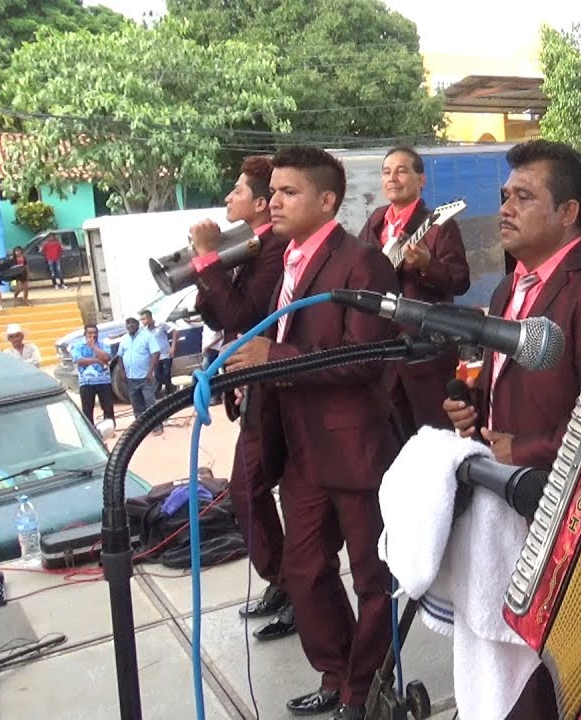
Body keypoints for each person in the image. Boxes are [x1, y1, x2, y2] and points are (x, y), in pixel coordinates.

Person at [442, 140, 581, 716]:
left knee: (550, 663)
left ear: (568, 212)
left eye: (524, 197)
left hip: (559, 499)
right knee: (504, 651)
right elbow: (489, 375)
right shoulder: (505, 288)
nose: (505, 208)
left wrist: (524, 448)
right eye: (505, 196)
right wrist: (466, 402)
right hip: (500, 494)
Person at [224, 145, 400, 719]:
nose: (273, 201)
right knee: (303, 571)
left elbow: (367, 357)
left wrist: (274, 355)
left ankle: (363, 691)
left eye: (288, 192)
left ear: (328, 201)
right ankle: (339, 672)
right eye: (271, 191)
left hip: (353, 449)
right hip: (300, 449)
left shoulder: (362, 263)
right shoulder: (286, 259)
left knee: (373, 579)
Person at [189, 155, 292, 639]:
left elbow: (247, 314)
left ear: (260, 201)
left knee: (248, 489)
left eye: (236, 191)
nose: (228, 199)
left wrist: (209, 259)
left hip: (270, 385)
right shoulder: (249, 246)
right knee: (252, 491)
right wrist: (209, 267)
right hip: (249, 384)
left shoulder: (274, 249)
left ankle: (290, 584)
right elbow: (218, 317)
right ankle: (285, 581)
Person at [358, 145, 472, 435]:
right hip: (381, 352)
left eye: (401, 171)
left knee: (434, 439)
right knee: (389, 437)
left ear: (421, 180)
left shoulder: (439, 227)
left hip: (424, 354)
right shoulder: (375, 222)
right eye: (386, 172)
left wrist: (427, 264)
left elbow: (460, 280)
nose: (392, 178)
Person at [117, 317, 162, 436]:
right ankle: (141, 429)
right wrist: (122, 371)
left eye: (132, 323)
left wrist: (150, 371)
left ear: (138, 324)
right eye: (128, 324)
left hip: (145, 377)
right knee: (136, 405)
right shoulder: (124, 339)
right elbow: (120, 356)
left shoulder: (147, 336)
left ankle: (157, 426)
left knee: (150, 403)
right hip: (130, 378)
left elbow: (156, 353)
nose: (130, 326)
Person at [71, 323, 116, 429]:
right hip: (86, 382)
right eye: (90, 333)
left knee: (108, 407)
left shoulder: (103, 344)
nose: (93, 335)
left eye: (95, 333)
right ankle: (90, 430)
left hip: (103, 381)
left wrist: (93, 347)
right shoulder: (78, 346)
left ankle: (110, 429)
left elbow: (106, 358)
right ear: (85, 334)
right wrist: (97, 360)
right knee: (87, 409)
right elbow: (79, 360)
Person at [139, 309, 176, 397]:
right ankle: (171, 389)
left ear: (150, 318)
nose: (142, 321)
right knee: (158, 376)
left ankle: (169, 393)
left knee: (166, 374)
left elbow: (174, 332)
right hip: (155, 357)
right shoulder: (144, 330)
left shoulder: (161, 324)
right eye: (141, 319)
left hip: (165, 354)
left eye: (144, 319)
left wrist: (173, 347)